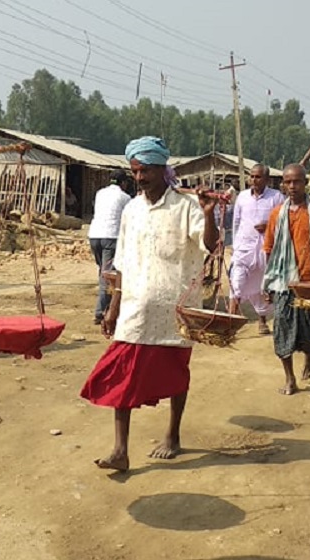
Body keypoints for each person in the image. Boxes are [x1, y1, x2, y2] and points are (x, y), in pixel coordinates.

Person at [81, 135, 219, 472]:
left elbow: (210, 245)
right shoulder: (131, 209)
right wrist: (113, 308)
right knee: (121, 375)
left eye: (145, 171)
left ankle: (173, 434)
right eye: (136, 172)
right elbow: (122, 264)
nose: (140, 178)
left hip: (173, 310)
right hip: (134, 308)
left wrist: (209, 214)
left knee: (175, 374)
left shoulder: (186, 207)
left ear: (162, 169)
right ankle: (120, 450)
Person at [261, 164, 310, 395]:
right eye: (288, 182)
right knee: (282, 328)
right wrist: (268, 282)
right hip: (283, 282)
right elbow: (269, 250)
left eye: (297, 181)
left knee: (309, 330)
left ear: (305, 183)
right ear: (283, 184)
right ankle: (290, 378)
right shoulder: (276, 215)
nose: (292, 186)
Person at [228, 164, 285, 334]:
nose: (253, 180)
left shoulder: (276, 198)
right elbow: (236, 222)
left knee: (261, 287)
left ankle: (262, 321)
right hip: (243, 248)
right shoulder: (243, 197)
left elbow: (284, 222)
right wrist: (235, 245)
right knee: (236, 283)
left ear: (267, 179)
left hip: (265, 250)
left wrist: (269, 226)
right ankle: (230, 322)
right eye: (251, 176)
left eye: (258, 177)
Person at [88, 170, 133, 325]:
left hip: (94, 235)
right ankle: (100, 313)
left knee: (103, 272)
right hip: (111, 237)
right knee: (106, 276)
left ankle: (108, 305)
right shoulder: (125, 197)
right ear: (124, 183)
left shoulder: (100, 193)